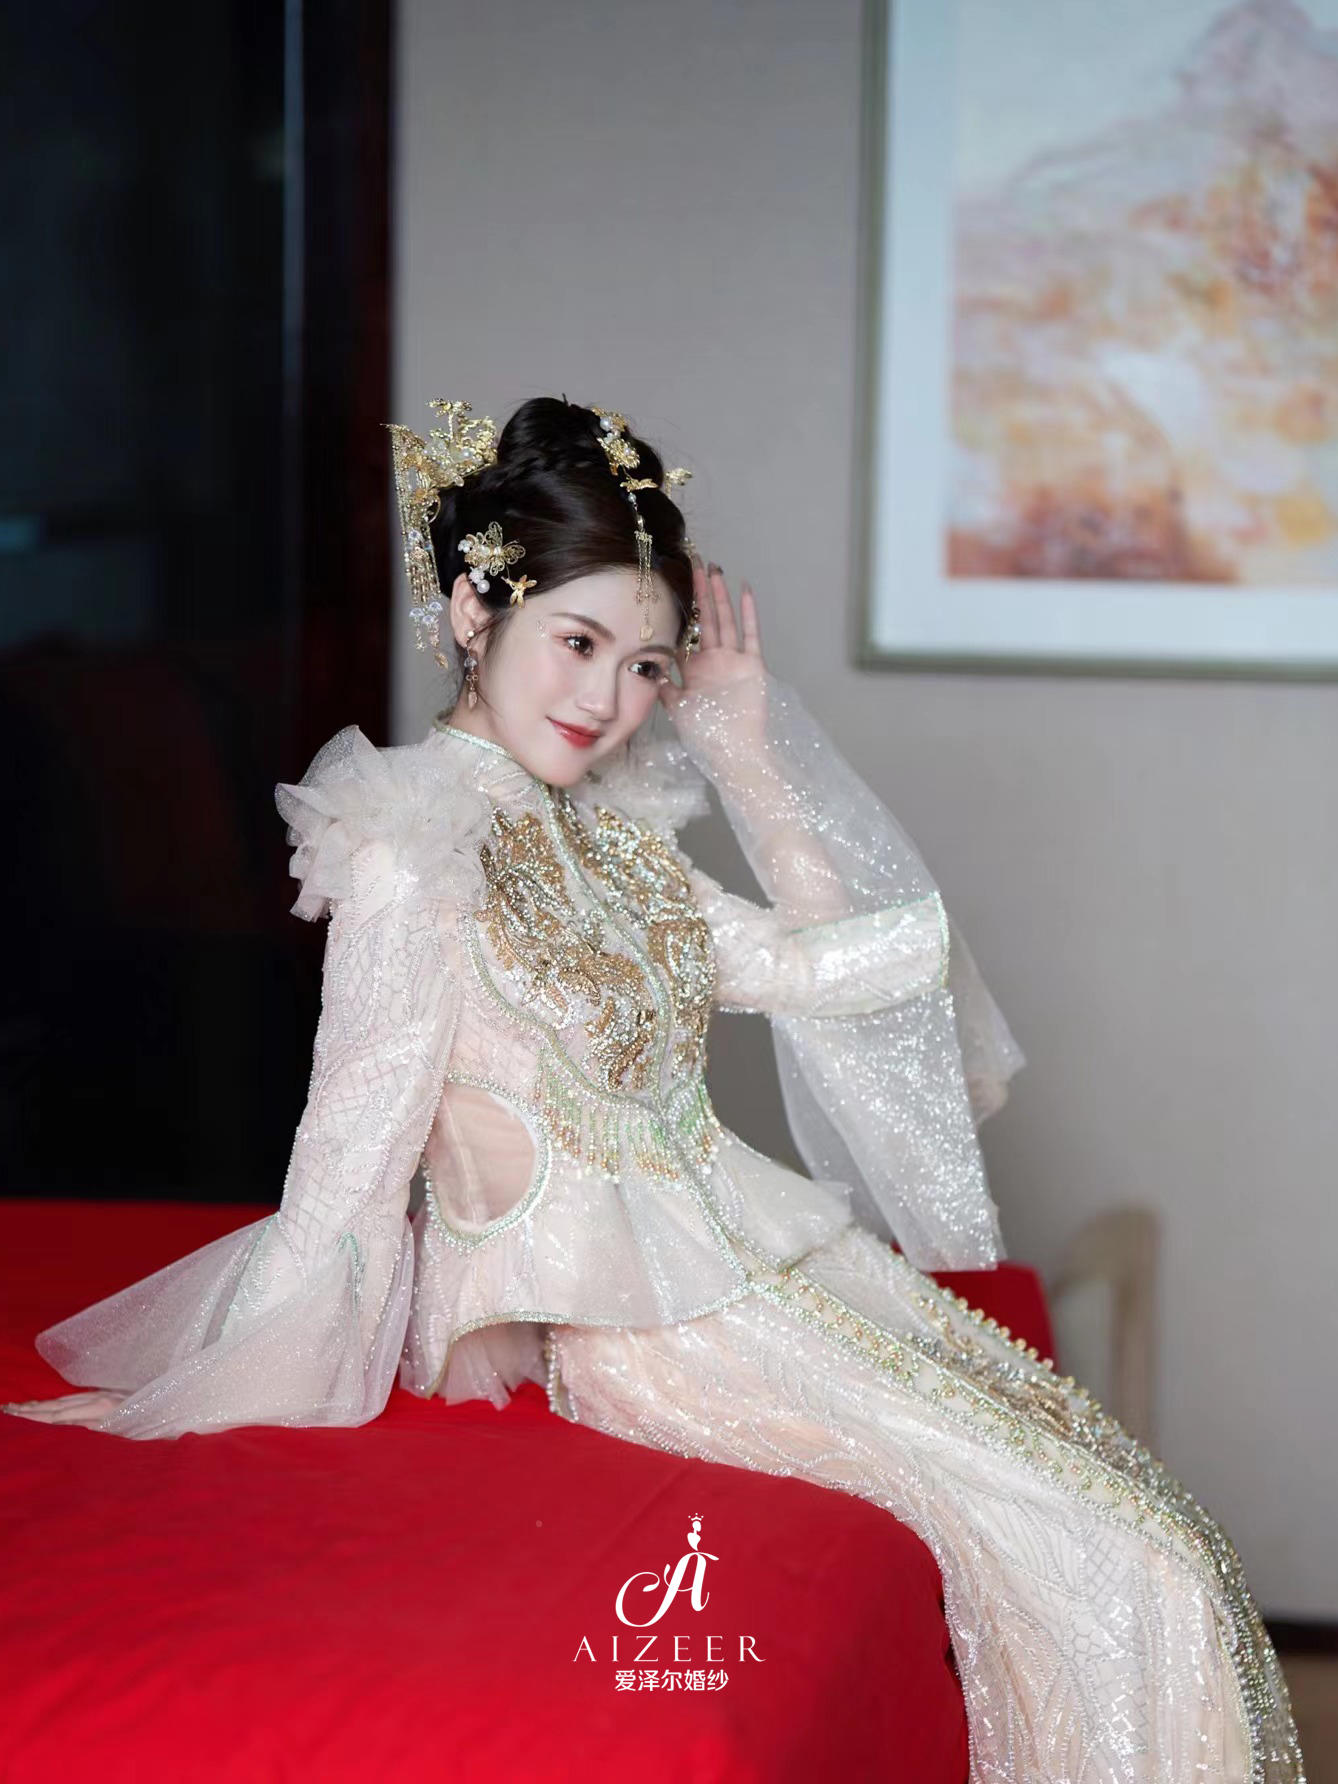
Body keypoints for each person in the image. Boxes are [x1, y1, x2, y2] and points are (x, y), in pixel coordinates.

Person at [4, 396, 1302, 1781]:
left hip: (759, 1264)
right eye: (576, 643)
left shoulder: (613, 844)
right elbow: (349, 1150)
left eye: (643, 666)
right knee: (1109, 1558)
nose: (607, 700)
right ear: (472, 611)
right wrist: (239, 1375)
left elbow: (822, 971)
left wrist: (744, 751)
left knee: (1138, 1513)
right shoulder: (409, 851)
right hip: (632, 1325)